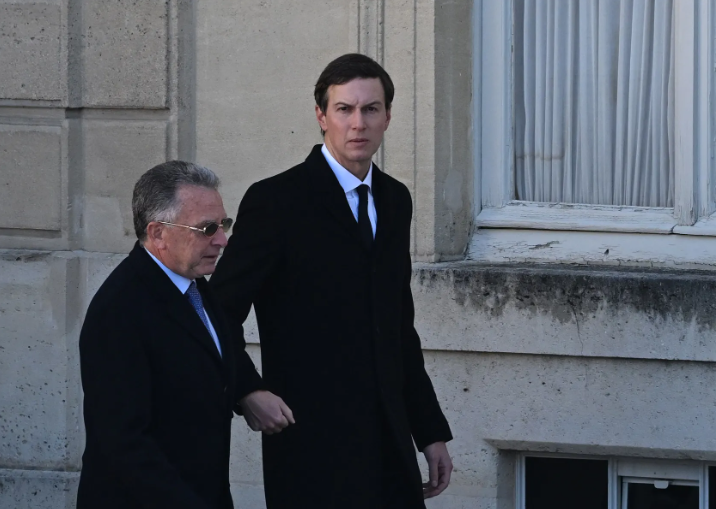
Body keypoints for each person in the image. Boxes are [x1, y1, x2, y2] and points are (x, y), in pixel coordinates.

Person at [210, 53, 453, 509]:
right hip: (311, 442)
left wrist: (430, 432)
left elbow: (398, 328)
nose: (358, 123)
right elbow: (217, 311)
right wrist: (247, 390)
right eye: (344, 109)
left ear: (387, 117)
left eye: (371, 109)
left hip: (389, 441)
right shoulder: (276, 201)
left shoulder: (395, 199)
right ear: (322, 116)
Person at [77, 161, 278, 509]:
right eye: (207, 228)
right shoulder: (120, 310)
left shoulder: (194, 285)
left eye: (224, 224)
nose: (222, 240)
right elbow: (123, 443)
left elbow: (210, 355)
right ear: (158, 233)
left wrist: (247, 390)